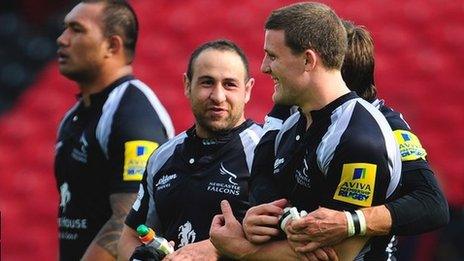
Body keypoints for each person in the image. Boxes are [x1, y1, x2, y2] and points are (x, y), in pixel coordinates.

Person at [210, 2, 402, 260]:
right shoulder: (293, 123)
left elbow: (338, 253)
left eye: (273, 56)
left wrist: (242, 250)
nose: (265, 67)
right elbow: (289, 210)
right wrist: (258, 220)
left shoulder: (358, 137)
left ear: (308, 60)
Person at [243, 20, 449, 259]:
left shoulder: (382, 129)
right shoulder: (295, 108)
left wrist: (353, 222)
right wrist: (268, 217)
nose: (266, 68)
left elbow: (432, 204)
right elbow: (263, 170)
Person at [118, 39, 290, 260]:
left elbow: (287, 238)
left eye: (230, 84)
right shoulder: (162, 156)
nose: (218, 96)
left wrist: (216, 250)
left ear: (247, 90)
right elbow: (131, 233)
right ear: (187, 85)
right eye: (207, 83)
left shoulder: (266, 151)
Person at [55, 0, 174, 260]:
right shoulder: (73, 117)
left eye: (77, 29)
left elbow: (128, 220)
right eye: (65, 29)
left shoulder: (133, 113)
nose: (62, 39)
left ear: (112, 45)